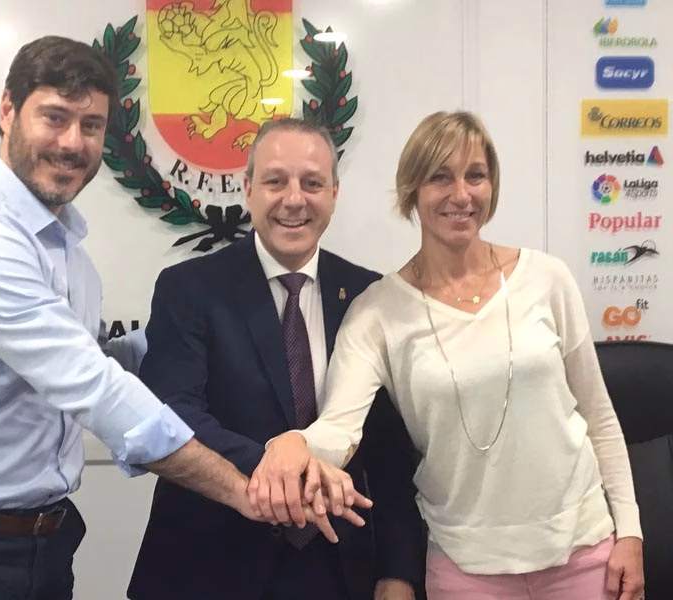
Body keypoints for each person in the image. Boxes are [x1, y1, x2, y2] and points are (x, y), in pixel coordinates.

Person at [0, 36, 348, 600]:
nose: (73, 142)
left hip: (40, 543)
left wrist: (192, 325)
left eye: (91, 124)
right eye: (55, 117)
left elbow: (97, 358)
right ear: (7, 111)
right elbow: (94, 389)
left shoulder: (67, 250)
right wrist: (247, 489)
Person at [249, 111, 646, 600]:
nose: (461, 194)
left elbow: (598, 417)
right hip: (465, 569)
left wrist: (630, 532)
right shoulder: (376, 312)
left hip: (583, 555)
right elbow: (339, 430)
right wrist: (293, 444)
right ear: (412, 190)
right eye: (440, 177)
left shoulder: (546, 278)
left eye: (475, 175)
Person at [128, 118, 427, 600]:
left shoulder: (369, 296)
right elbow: (175, 413)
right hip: (208, 568)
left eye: (312, 183)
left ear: (334, 194)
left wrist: (399, 571)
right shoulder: (189, 289)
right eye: (275, 181)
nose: (294, 199)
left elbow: (389, 451)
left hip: (337, 569)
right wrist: (285, 466)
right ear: (248, 190)